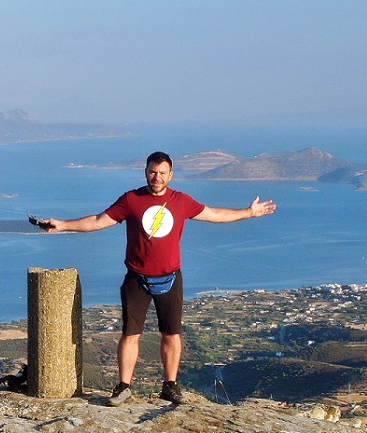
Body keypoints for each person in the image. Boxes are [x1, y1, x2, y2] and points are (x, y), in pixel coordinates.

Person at [40, 151, 276, 405]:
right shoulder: (131, 200)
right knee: (130, 334)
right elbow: (99, 221)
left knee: (172, 334)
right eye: (153, 171)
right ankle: (123, 387)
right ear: (146, 172)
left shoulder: (181, 201)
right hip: (136, 279)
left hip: (170, 278)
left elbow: (215, 214)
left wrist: (248, 213)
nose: (157, 177)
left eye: (162, 172)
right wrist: (63, 225)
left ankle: (170, 386)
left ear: (171, 175)